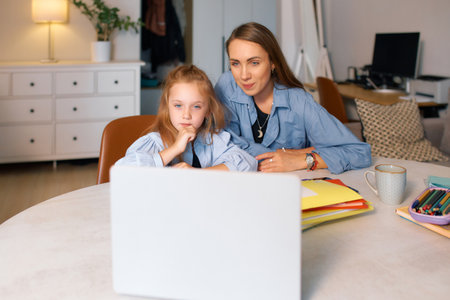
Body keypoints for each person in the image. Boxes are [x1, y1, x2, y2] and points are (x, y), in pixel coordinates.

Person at [214, 22, 371, 174]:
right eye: (235, 64)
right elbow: (220, 141)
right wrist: (284, 153)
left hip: (291, 186)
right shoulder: (227, 85)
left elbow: (358, 152)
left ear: (273, 62)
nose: (243, 75)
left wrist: (302, 159)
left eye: (254, 63)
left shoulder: (298, 101)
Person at [116, 65, 257, 172]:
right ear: (168, 107)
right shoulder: (156, 142)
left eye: (196, 107)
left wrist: (197, 174)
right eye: (178, 105)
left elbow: (247, 163)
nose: (186, 115)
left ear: (207, 111)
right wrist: (175, 148)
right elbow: (123, 170)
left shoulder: (214, 141)